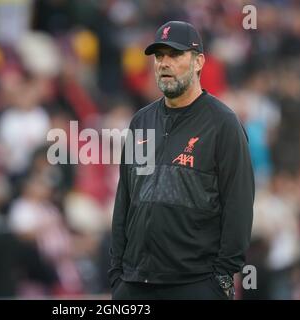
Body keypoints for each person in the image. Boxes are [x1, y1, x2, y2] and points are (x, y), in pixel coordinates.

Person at [109, 21, 255, 300]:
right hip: (135, 281)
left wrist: (221, 279)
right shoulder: (141, 121)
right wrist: (117, 273)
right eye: (159, 56)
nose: (164, 63)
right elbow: (124, 200)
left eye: (175, 55)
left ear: (199, 61)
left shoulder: (223, 124)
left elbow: (239, 205)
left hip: (195, 283)